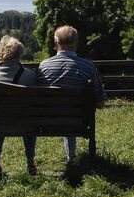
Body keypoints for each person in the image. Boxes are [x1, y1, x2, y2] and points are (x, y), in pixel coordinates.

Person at [37, 25, 106, 162]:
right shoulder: (88, 66)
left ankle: (35, 162)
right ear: (76, 43)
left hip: (46, 121)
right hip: (78, 121)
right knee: (69, 113)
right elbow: (100, 103)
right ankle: (72, 159)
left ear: (56, 43)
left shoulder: (44, 66)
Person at [0, 35, 38, 176]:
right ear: (19, 54)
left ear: (0, 54)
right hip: (25, 124)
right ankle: (31, 163)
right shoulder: (30, 76)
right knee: (29, 124)